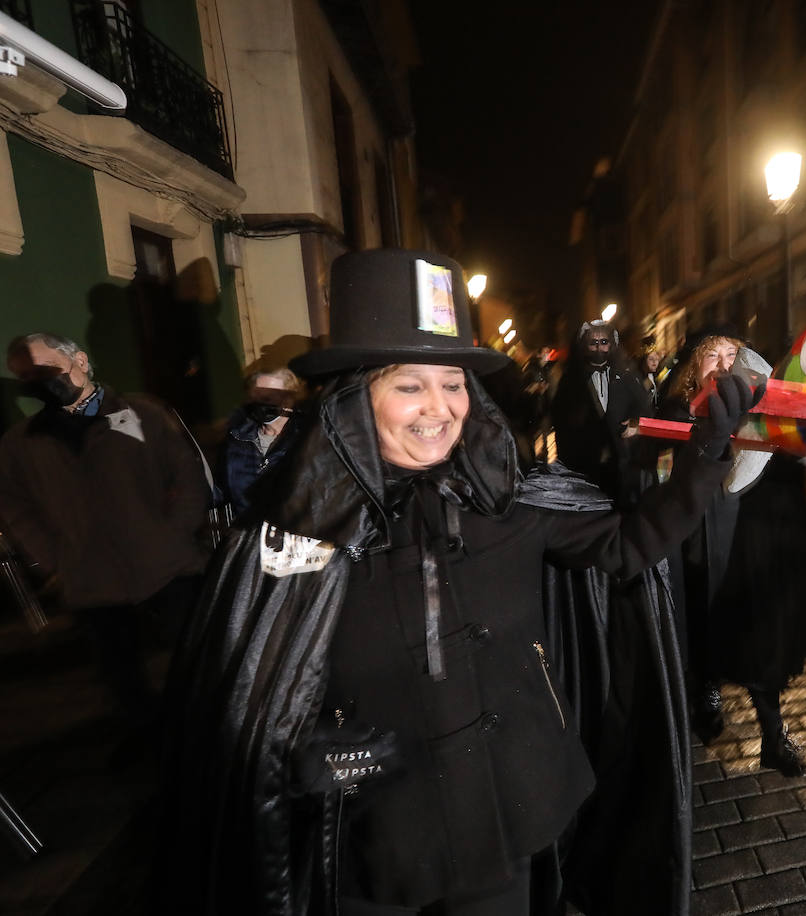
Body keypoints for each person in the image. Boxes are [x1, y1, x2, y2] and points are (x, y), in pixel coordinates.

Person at [160, 249, 758, 916]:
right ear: (358, 397)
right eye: (409, 385)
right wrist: (304, 759)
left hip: (506, 819)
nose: (438, 408)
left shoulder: (514, 502)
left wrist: (705, 456)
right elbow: (247, 701)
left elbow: (627, 547)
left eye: (453, 384)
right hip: (373, 847)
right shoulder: (293, 536)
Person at [0, 332, 209, 723]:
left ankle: (206, 735)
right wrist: (53, 558)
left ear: (80, 360)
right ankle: (146, 736)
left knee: (194, 660)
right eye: (27, 377)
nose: (41, 383)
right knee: (122, 675)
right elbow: (14, 506)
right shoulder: (20, 445)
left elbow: (187, 475)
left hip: (168, 569)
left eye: (49, 370)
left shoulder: (143, 414)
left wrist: (175, 535)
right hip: (90, 579)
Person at [655, 329, 806, 778]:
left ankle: (773, 735)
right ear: (694, 366)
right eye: (711, 354)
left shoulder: (759, 408)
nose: (721, 362)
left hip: (745, 541)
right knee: (703, 620)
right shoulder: (676, 409)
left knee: (757, 638)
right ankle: (707, 694)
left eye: (731, 354)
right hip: (697, 541)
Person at [549, 319, 651, 505]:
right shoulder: (571, 381)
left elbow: (644, 412)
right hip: (584, 474)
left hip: (623, 471)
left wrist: (634, 427)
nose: (598, 348)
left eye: (603, 342)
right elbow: (562, 424)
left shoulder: (626, 375)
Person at [216, 366, 306, 515]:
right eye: (255, 397)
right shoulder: (237, 440)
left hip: (298, 533)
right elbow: (219, 490)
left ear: (289, 399)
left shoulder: (307, 437)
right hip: (252, 533)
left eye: (268, 397)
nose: (260, 403)